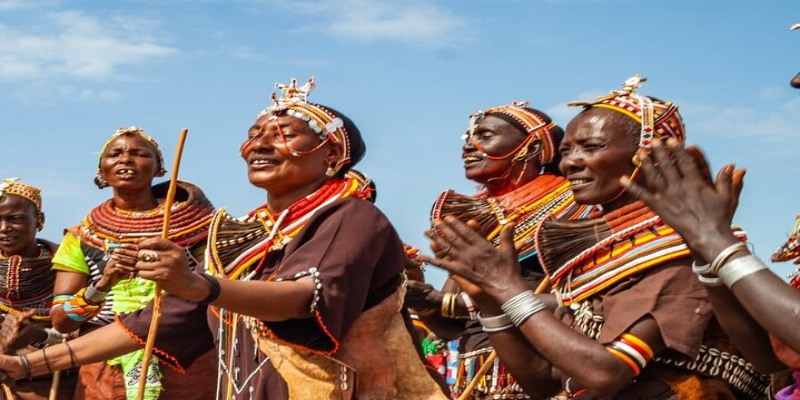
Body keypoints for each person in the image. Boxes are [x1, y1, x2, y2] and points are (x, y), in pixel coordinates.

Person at [0, 78, 448, 400]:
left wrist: (202, 286)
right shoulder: (238, 236)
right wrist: (27, 365)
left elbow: (305, 297)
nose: (260, 144)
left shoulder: (352, 217)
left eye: (284, 136)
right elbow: (158, 320)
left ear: (331, 154)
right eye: (255, 135)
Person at [424, 75, 769, 399]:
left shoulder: (680, 248)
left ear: (649, 152)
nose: (570, 163)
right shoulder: (600, 253)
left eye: (590, 146)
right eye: (566, 152)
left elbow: (606, 374)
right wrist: (488, 300)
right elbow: (544, 382)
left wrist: (507, 289)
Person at [405, 101, 591, 399]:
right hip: (475, 379)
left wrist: (451, 303)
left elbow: (586, 301)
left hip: (541, 370)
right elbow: (451, 329)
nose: (469, 146)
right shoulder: (474, 217)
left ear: (530, 148)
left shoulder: (574, 209)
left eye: (485, 136)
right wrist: (417, 288)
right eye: (467, 139)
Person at [48, 127, 216, 400]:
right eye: (115, 154)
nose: (126, 159)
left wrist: (178, 274)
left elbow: (220, 289)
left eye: (139, 153)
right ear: (101, 172)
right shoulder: (81, 236)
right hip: (104, 359)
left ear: (160, 169)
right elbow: (62, 322)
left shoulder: (196, 227)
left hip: (185, 356)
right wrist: (103, 284)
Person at [0, 178, 77, 400]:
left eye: (15, 219)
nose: (4, 229)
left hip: (55, 381)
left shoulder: (69, 266)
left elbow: (89, 328)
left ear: (39, 221)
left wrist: (41, 336)